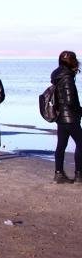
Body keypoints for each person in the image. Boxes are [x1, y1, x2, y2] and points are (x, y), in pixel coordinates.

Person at [51, 50, 82, 183]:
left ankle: (58, 174)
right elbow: (70, 100)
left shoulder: (58, 75)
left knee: (61, 145)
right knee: (81, 144)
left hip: (61, 117)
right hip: (70, 117)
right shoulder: (67, 77)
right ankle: (79, 175)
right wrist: (80, 111)